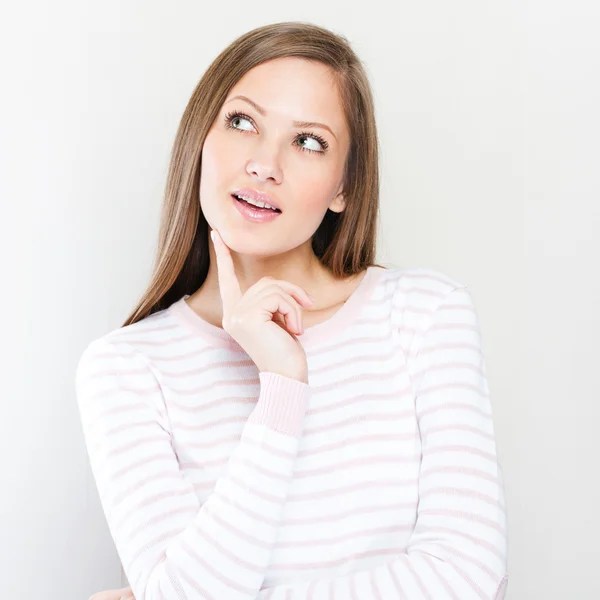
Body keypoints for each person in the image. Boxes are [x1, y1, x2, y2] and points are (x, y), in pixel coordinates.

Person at [77, 21, 508, 600]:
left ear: (344, 188)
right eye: (242, 122)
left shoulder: (425, 316)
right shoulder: (125, 368)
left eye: (308, 141)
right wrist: (282, 390)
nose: (264, 164)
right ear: (199, 140)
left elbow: (467, 577)